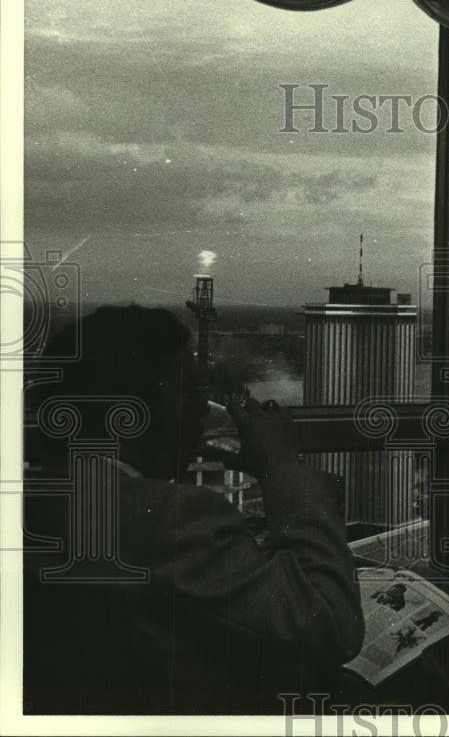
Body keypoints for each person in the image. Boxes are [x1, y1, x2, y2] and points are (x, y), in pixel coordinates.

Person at [23, 305, 363, 714]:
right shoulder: (176, 516)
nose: (203, 408)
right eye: (187, 391)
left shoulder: (36, 502)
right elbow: (331, 625)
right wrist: (282, 467)